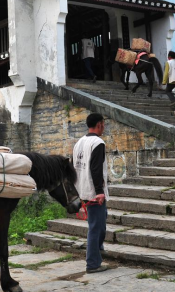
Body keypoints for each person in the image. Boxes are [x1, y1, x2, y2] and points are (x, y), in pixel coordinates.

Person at [72, 113, 109, 273]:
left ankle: (98, 249)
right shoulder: (97, 142)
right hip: (93, 192)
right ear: (99, 124)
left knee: (100, 221)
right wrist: (99, 192)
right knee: (96, 227)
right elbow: (95, 169)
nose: (104, 127)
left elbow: (73, 167)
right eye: (103, 124)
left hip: (82, 189)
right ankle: (92, 263)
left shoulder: (79, 142)